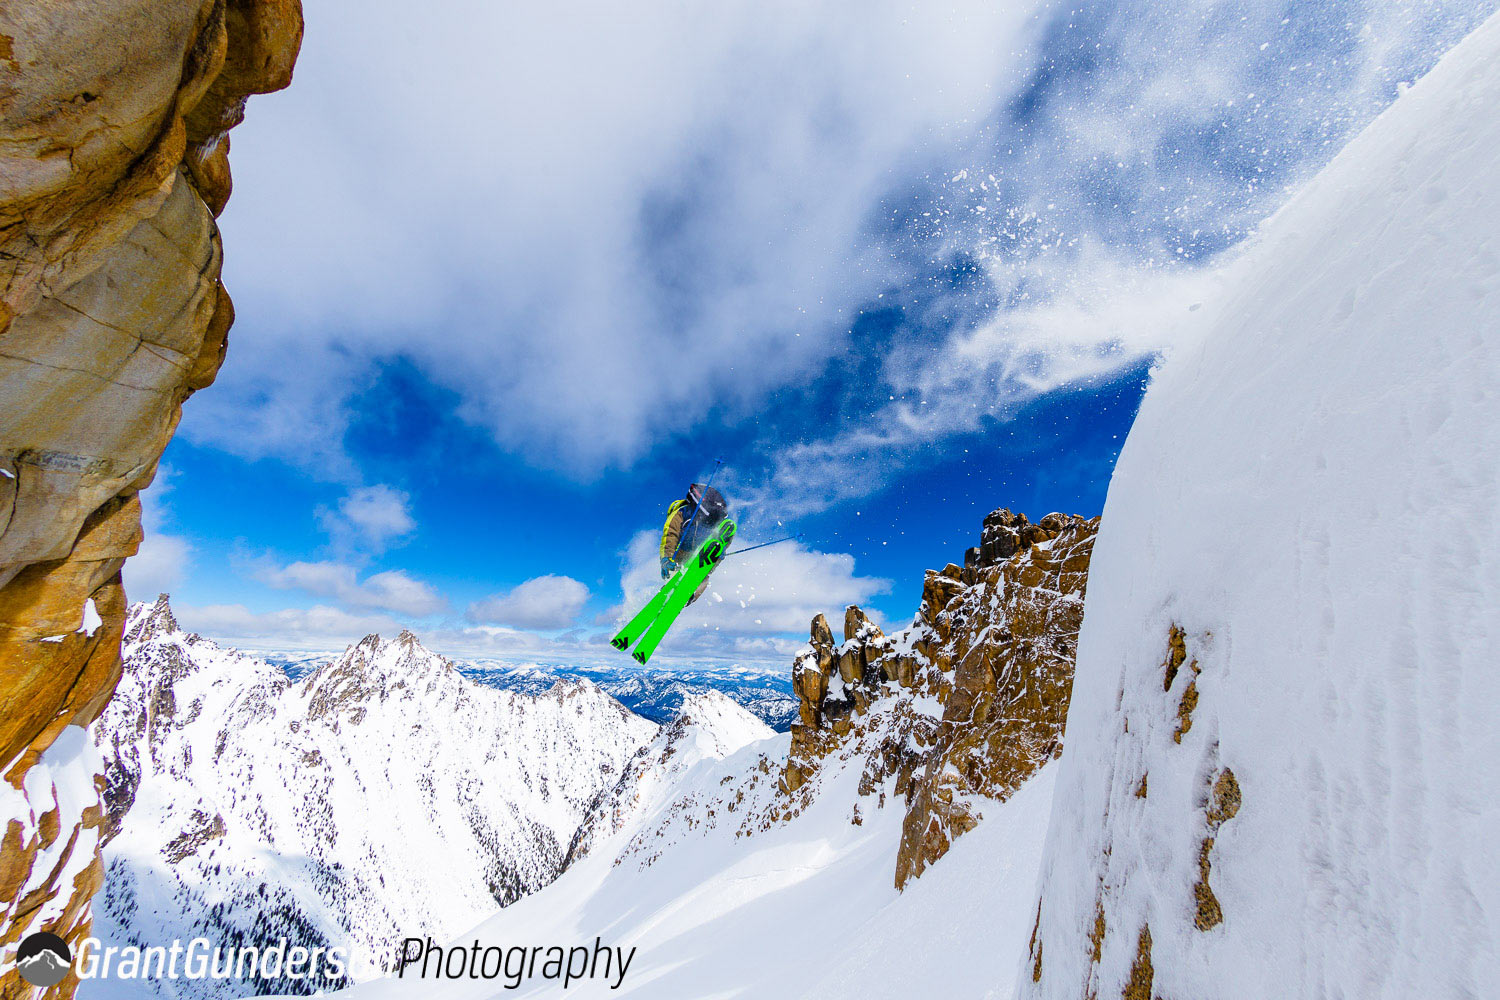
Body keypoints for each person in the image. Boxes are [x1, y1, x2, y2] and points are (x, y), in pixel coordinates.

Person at [659, 483, 731, 602]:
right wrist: (666, 558)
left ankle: (689, 596)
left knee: (703, 577)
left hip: (697, 555)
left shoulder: (712, 522)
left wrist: (711, 563)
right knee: (675, 571)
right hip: (679, 553)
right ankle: (669, 591)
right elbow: (670, 535)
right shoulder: (680, 513)